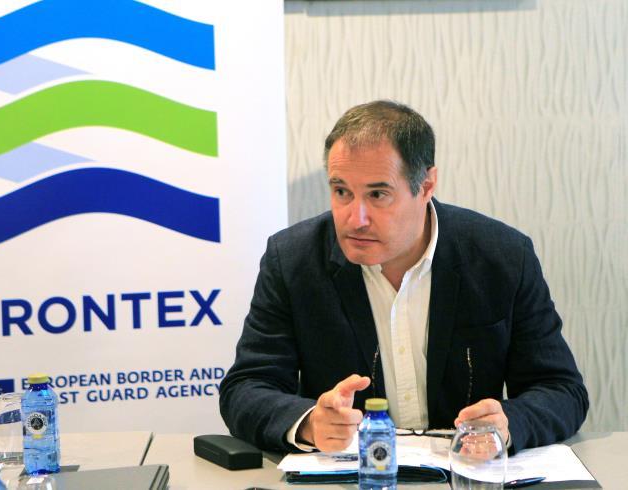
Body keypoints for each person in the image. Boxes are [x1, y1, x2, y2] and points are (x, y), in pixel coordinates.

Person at [219, 100, 588, 454]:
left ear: (426, 186)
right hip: (352, 478)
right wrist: (309, 423)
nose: (355, 218)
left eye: (378, 194)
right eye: (341, 191)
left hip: (463, 473)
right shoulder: (293, 261)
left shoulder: (502, 257)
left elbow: (561, 389)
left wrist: (509, 423)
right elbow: (246, 387)